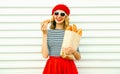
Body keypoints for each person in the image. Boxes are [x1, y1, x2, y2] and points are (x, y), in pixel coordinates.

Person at [41, 4, 81, 74]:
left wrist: (73, 51)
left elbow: (78, 57)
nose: (59, 16)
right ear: (53, 15)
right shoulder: (47, 32)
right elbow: (45, 55)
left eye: (62, 14)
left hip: (68, 66)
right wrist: (44, 34)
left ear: (66, 17)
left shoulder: (70, 33)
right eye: (56, 13)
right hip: (52, 66)